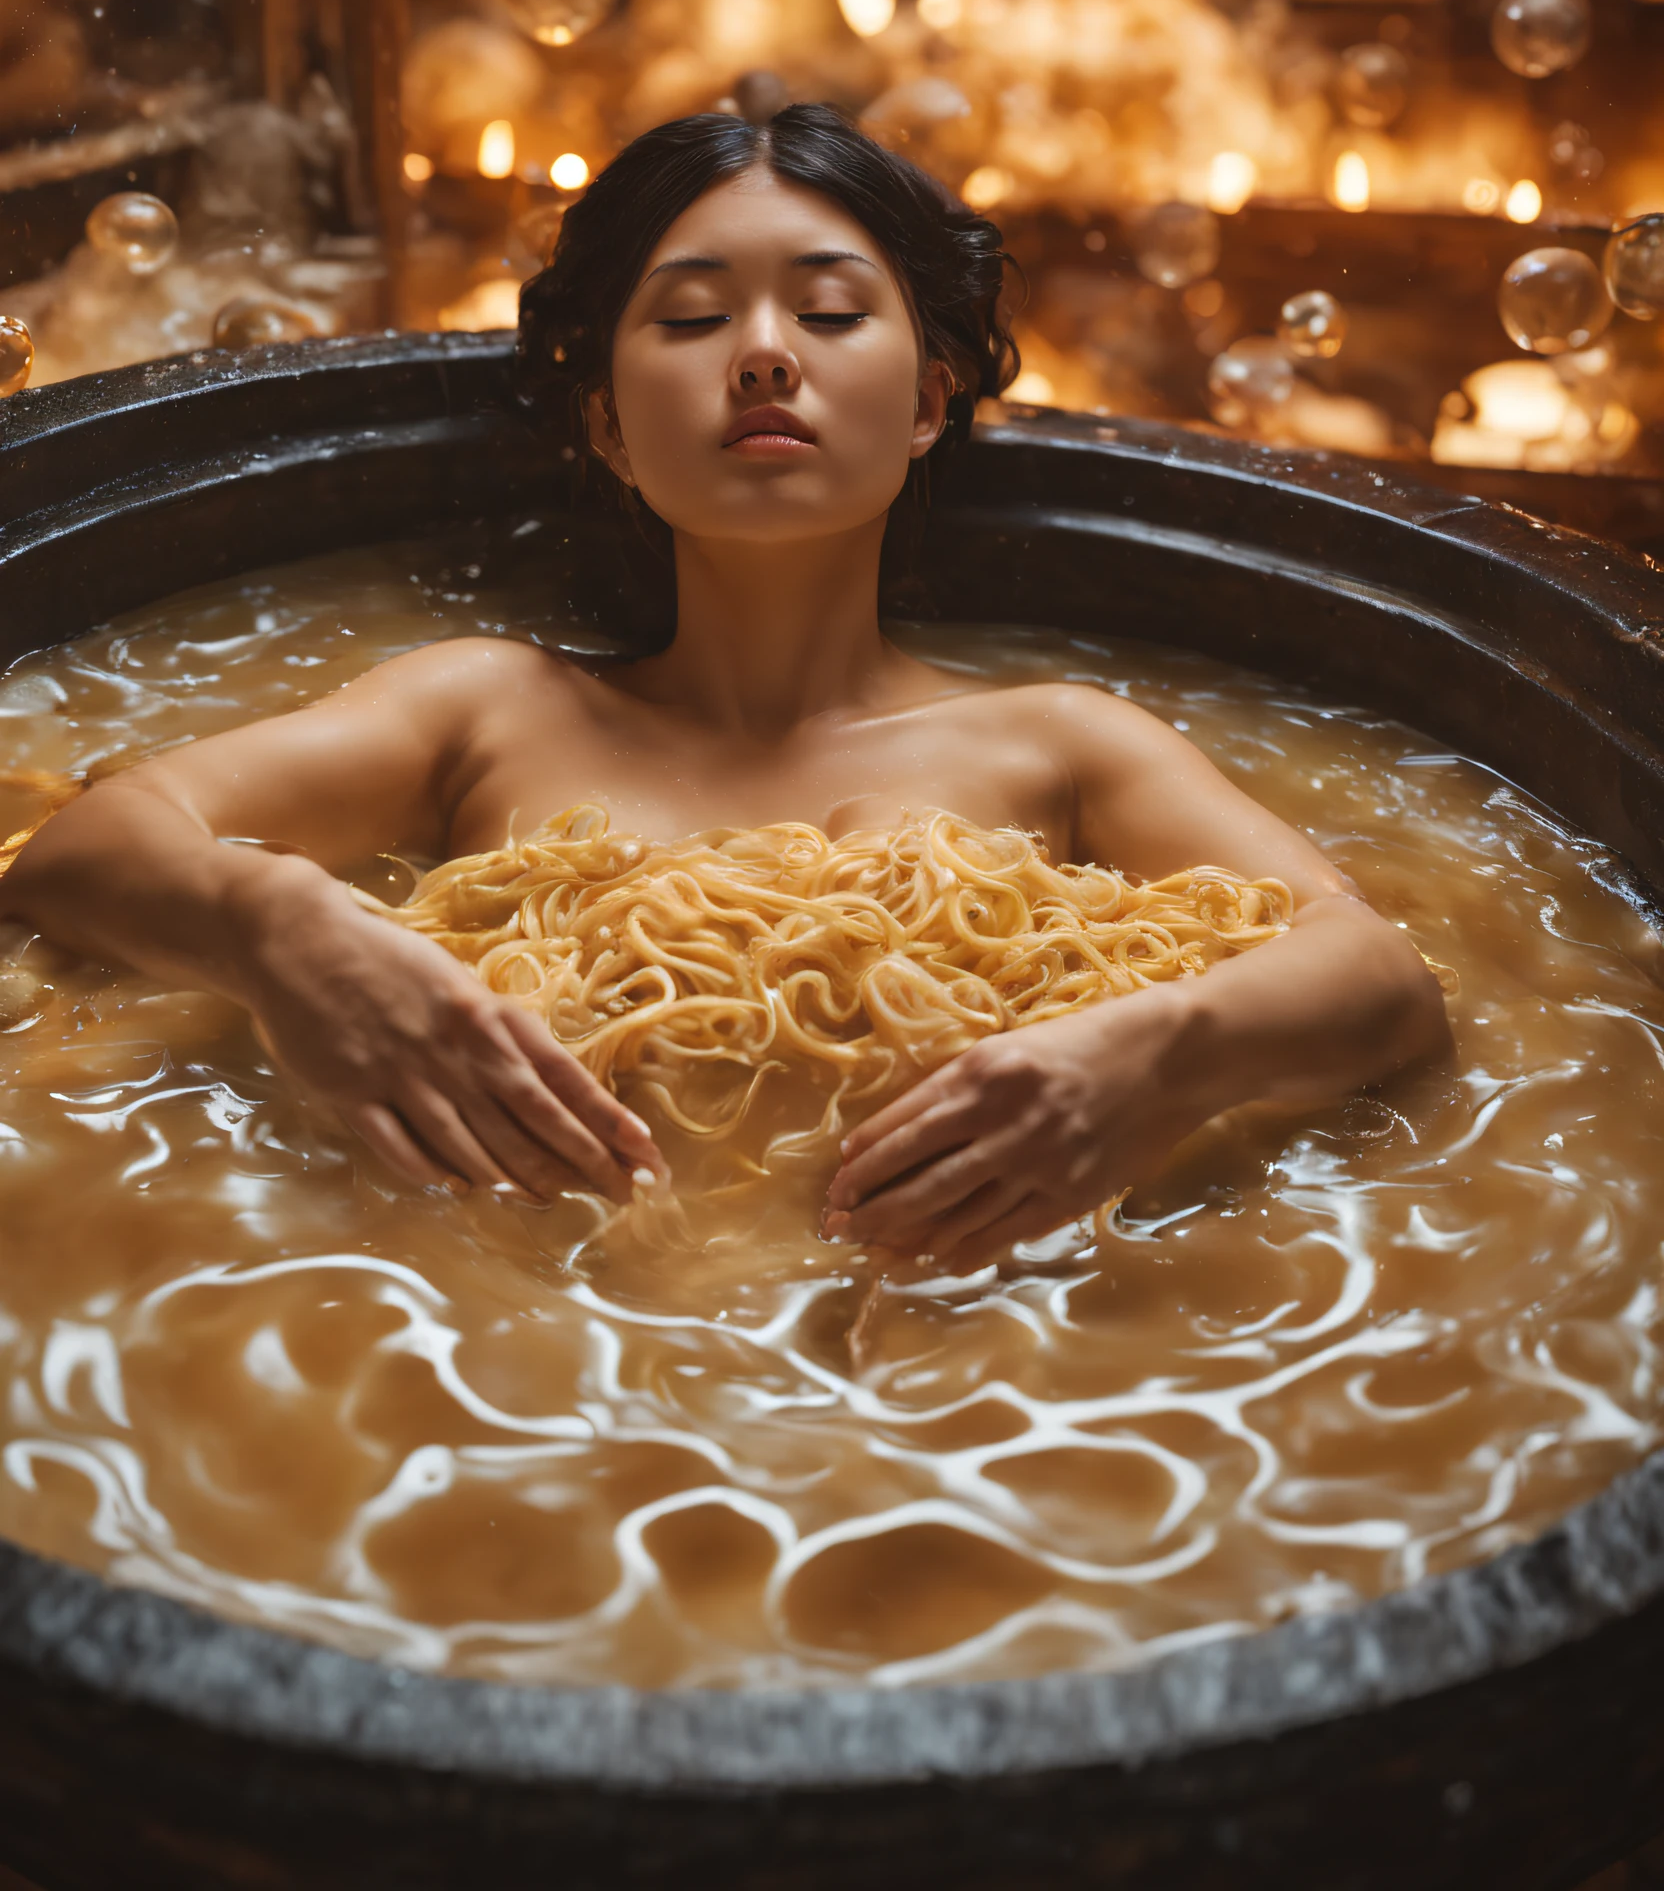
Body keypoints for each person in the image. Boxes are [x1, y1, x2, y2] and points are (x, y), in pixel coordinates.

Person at [0, 106, 1448, 1274]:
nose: (762, 352)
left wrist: (1152, 1056)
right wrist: (279, 929)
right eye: (690, 322)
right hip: (498, 1403)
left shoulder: (1058, 743)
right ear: (612, 429)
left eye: (829, 313)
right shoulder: (488, 713)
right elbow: (79, 856)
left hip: (973, 1427)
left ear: (932, 402)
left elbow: (1383, 984)